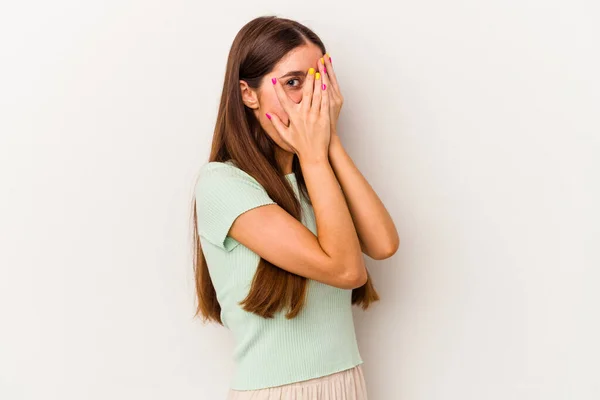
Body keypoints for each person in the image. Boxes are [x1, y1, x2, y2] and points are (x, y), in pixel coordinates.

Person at [191, 15, 399, 399]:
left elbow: (384, 244)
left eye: (318, 80)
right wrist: (316, 155)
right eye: (292, 82)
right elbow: (347, 269)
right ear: (248, 94)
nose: (311, 97)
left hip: (347, 384)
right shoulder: (223, 183)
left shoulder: (315, 181)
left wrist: (329, 141)